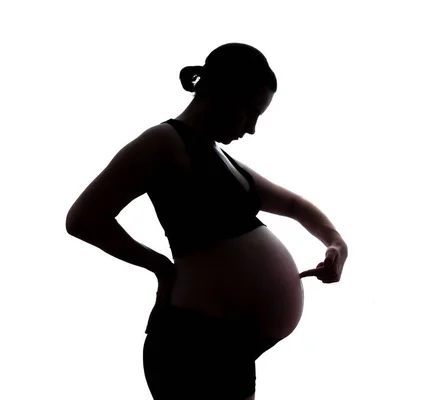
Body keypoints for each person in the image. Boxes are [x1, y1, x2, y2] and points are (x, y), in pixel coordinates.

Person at [66, 42, 348, 400]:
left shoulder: (224, 159)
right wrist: (160, 267)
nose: (251, 129)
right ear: (220, 92)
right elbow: (84, 218)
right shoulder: (164, 142)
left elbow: (293, 204)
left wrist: (336, 243)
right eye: (249, 113)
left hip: (232, 348)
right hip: (191, 345)